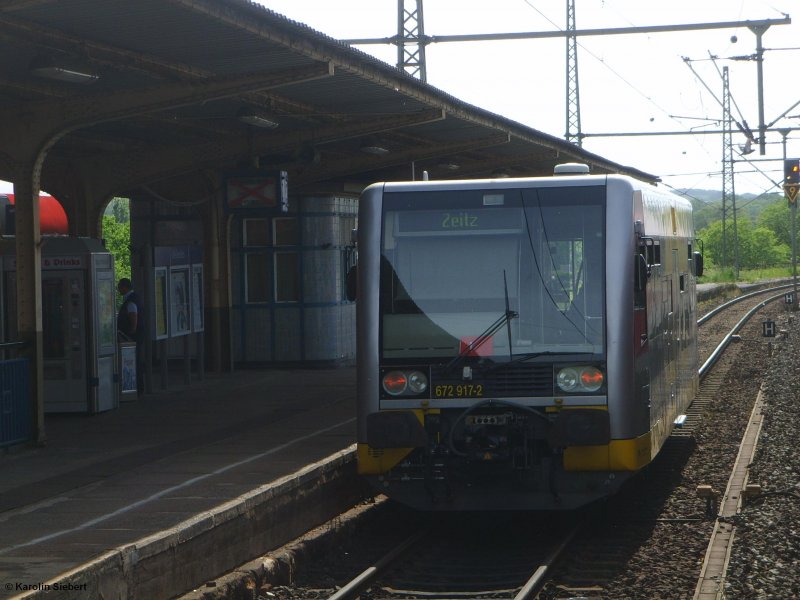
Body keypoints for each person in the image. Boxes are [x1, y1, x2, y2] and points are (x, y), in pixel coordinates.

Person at [117, 278, 145, 395]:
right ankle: (139, 387)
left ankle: (137, 388)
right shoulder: (135, 298)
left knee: (135, 362)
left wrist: (131, 331)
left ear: (125, 287)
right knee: (137, 361)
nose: (118, 290)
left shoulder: (131, 301)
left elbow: (133, 316)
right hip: (137, 335)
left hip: (131, 337)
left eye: (119, 287)